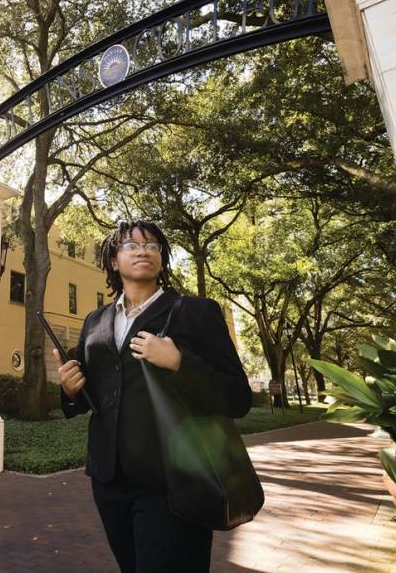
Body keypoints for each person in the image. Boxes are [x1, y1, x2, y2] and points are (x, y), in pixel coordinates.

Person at [55, 220, 251, 573]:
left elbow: (238, 396)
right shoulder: (95, 322)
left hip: (174, 479)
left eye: (152, 246)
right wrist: (70, 391)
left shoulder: (197, 312)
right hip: (109, 479)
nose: (143, 250)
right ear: (114, 261)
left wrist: (179, 362)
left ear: (162, 258)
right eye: (131, 245)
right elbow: (96, 395)